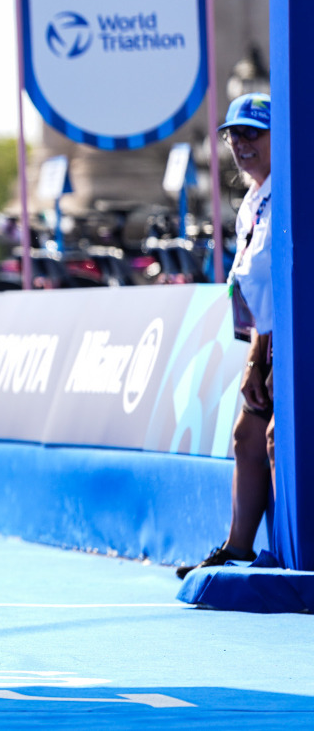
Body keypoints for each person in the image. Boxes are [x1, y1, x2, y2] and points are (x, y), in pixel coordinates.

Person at [178, 92, 275, 579]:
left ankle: (292, 553)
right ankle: (239, 547)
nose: (240, 143)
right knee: (246, 436)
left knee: (281, 438)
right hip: (268, 338)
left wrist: (266, 353)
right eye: (234, 135)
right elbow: (254, 287)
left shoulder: (294, 193)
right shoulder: (253, 200)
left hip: (294, 339)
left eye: (253, 133)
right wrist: (255, 355)